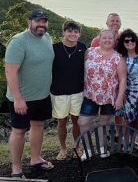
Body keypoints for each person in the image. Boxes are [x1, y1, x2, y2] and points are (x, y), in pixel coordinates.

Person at [5, 10, 55, 178]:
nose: (41, 25)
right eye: (37, 21)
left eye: (44, 22)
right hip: (22, 98)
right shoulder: (18, 42)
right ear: (29, 22)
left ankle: (35, 158)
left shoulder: (47, 38)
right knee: (19, 131)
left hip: (42, 95)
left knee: (38, 125)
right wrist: (18, 98)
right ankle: (16, 169)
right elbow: (10, 72)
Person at [78, 29, 127, 160]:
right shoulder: (89, 52)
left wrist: (120, 98)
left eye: (110, 38)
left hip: (109, 96)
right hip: (90, 95)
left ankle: (102, 148)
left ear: (114, 40)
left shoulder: (118, 58)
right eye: (104, 38)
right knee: (83, 122)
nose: (107, 40)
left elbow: (122, 80)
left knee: (103, 123)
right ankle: (87, 149)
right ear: (99, 39)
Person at [51, 21, 87, 161]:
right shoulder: (54, 48)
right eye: (69, 31)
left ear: (79, 34)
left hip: (78, 91)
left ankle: (77, 147)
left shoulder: (83, 47)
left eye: (76, 31)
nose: (73, 34)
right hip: (59, 92)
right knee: (61, 122)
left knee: (76, 121)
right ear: (64, 32)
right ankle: (63, 148)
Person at [115, 29, 138, 130]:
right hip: (128, 92)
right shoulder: (121, 58)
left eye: (132, 40)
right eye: (126, 41)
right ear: (123, 43)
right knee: (127, 118)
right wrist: (122, 94)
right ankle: (125, 142)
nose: (130, 42)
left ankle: (132, 141)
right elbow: (118, 77)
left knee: (137, 117)